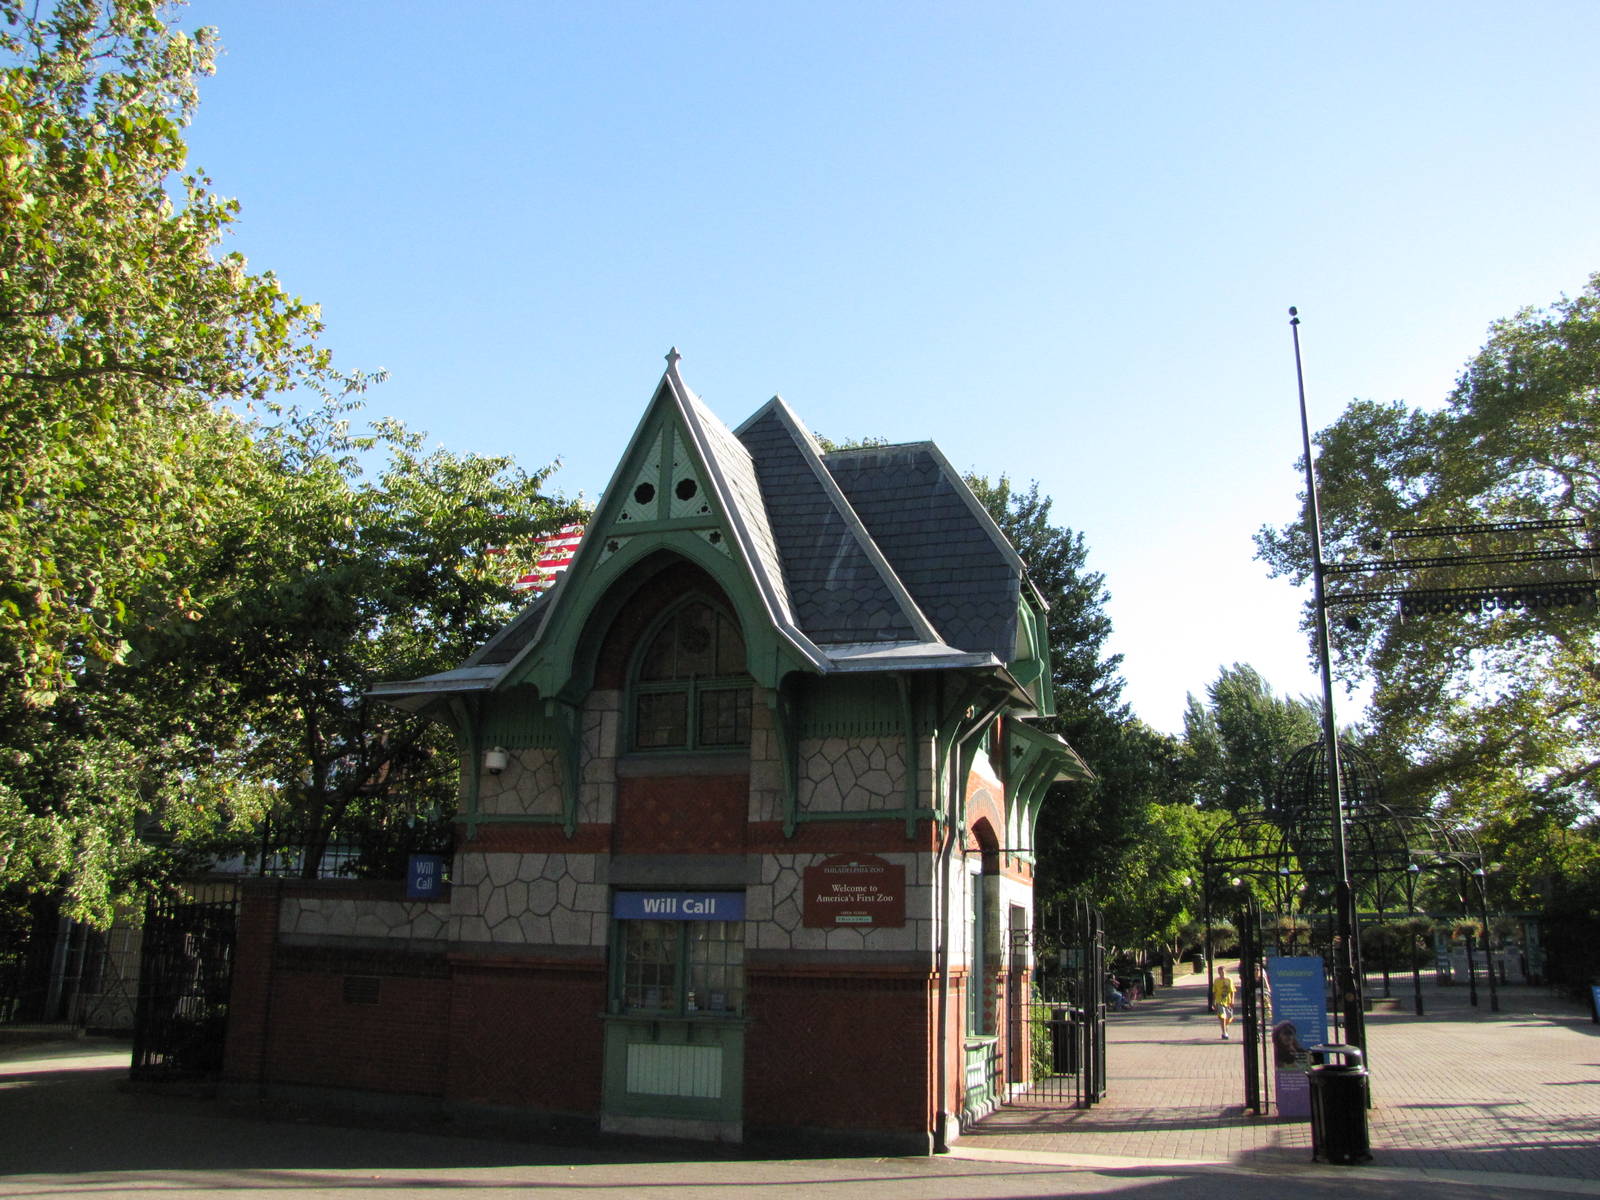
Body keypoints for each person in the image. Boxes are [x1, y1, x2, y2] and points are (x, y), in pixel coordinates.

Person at [1211, 964, 1236, 1039]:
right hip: (1219, 1001)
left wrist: (1232, 1000)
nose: (1221, 974)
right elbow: (1214, 992)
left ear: (1225, 972)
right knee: (1222, 1017)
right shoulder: (1216, 981)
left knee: (1229, 1017)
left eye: (1222, 972)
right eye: (1219, 972)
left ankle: (1225, 1026)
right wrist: (1213, 1002)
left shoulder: (1229, 980)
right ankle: (1224, 1033)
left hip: (1227, 1001)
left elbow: (1232, 991)